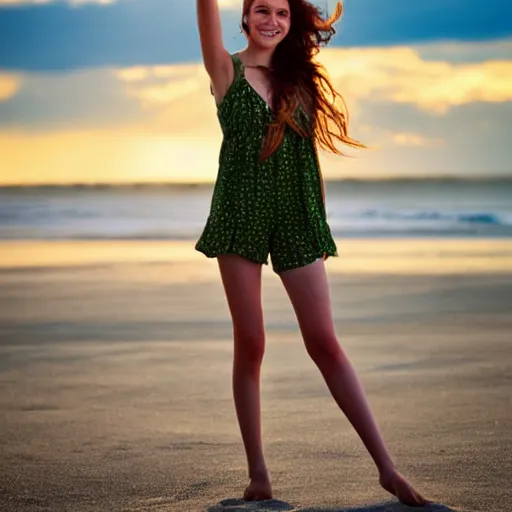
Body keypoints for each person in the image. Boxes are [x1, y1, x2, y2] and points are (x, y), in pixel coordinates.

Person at [195, 0, 430, 507]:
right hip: (241, 211)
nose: (272, 20)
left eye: (281, 12)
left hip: (297, 215)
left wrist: (316, 219)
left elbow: (307, 160)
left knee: (324, 341)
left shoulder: (300, 77)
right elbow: (204, 11)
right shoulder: (225, 69)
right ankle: (259, 474)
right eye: (261, 10)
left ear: (290, 21)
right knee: (251, 342)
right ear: (245, 15)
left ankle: (388, 470)